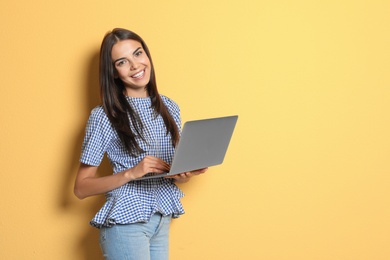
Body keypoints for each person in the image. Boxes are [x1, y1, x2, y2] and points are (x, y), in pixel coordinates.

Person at [74, 28, 208, 260]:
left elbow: (169, 171)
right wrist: (132, 173)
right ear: (114, 73)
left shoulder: (169, 107)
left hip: (160, 220)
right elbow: (81, 188)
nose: (135, 65)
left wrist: (184, 173)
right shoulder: (104, 116)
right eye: (122, 62)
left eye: (138, 54)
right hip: (126, 224)